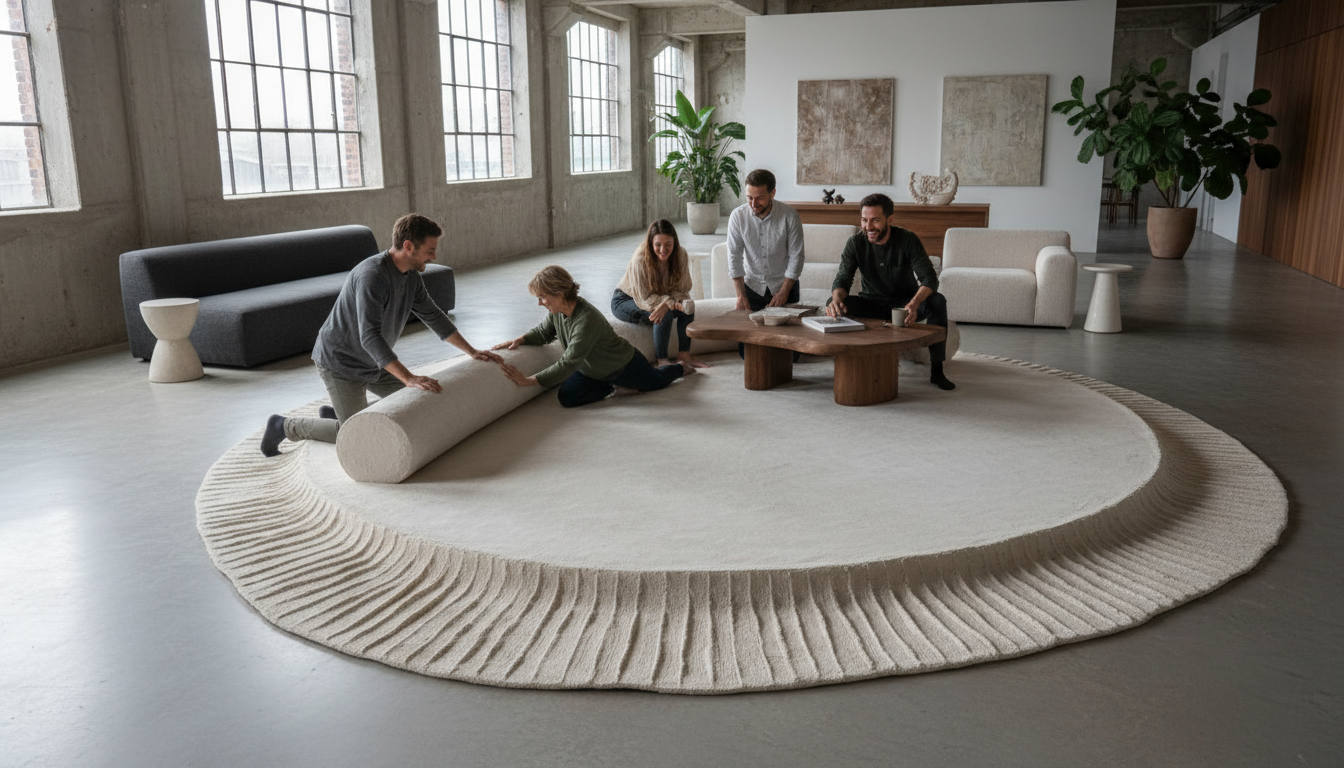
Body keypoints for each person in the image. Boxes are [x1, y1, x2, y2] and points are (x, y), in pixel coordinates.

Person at [260, 213, 499, 456]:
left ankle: (341, 411)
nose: (434, 256)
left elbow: (434, 316)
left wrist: (472, 352)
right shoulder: (372, 276)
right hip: (341, 363)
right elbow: (370, 336)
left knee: (416, 403)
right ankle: (284, 426)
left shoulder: (411, 276)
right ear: (408, 246)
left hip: (375, 363)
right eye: (430, 250)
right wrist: (408, 378)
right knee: (357, 434)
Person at [494, 266, 693, 408]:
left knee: (657, 381)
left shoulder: (586, 319)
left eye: (543, 297)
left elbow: (567, 364)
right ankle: (615, 388)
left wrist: (527, 381)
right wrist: (521, 339)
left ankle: (680, 368)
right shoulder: (556, 312)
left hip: (623, 365)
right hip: (591, 370)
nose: (540, 303)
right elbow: (543, 332)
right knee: (567, 397)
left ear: (560, 293)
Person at [826, 193, 956, 391]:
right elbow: (842, 279)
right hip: (871, 303)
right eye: (864, 220)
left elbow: (930, 279)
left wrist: (914, 304)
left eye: (875, 220)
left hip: (905, 306)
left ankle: (937, 371)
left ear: (890, 219)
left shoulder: (908, 239)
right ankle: (846, 361)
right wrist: (836, 299)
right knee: (834, 302)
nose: (868, 227)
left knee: (938, 301)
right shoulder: (855, 243)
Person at [611, 219, 710, 370]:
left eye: (668, 244)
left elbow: (683, 290)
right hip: (627, 300)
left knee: (688, 308)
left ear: (674, 243)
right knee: (664, 314)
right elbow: (644, 298)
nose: (663, 249)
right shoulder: (640, 258)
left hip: (659, 298)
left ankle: (684, 354)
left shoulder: (681, 254)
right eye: (658, 245)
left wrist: (670, 302)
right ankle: (662, 360)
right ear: (651, 243)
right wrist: (667, 304)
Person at [726, 168, 805, 311]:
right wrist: (740, 295)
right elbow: (734, 257)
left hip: (785, 286)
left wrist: (784, 292)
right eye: (750, 197)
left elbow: (796, 257)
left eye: (760, 198)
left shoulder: (790, 216)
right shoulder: (737, 216)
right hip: (752, 287)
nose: (754, 204)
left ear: (772, 193)